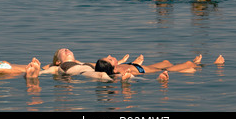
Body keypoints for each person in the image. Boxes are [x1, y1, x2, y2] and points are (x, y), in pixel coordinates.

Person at [95, 54, 225, 78]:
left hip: (151, 67)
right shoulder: (118, 74)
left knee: (166, 61)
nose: (110, 55)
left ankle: (193, 64)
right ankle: (213, 64)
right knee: (189, 65)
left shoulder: (118, 67)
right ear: (111, 66)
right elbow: (126, 79)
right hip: (158, 71)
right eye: (110, 59)